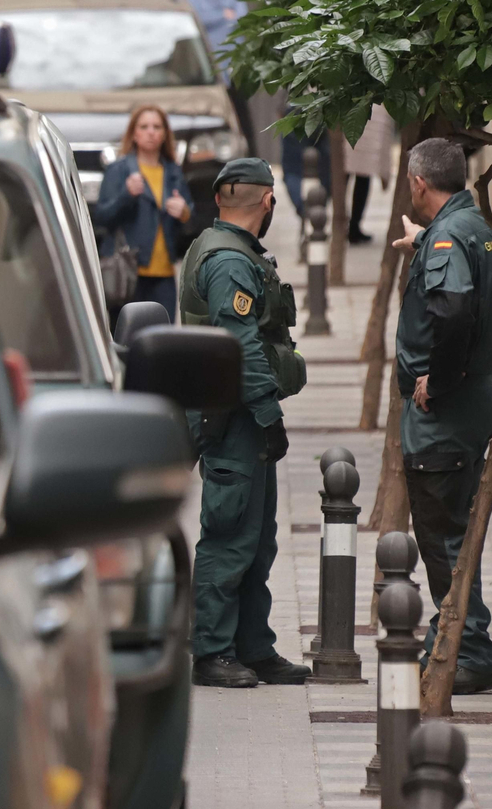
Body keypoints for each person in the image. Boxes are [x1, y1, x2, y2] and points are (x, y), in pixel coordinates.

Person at [391, 137, 492, 695]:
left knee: (442, 540)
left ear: (419, 183)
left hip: (442, 414)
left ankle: (465, 652)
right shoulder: (482, 231)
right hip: (474, 406)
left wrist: (434, 383)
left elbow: (455, 308)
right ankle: (463, 641)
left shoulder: (447, 238)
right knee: (459, 535)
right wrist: (425, 244)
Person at [181, 157, 309, 688]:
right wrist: (267, 412)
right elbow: (241, 347)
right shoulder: (229, 262)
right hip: (232, 416)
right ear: (268, 201)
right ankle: (212, 651)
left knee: (258, 540)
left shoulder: (235, 252)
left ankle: (253, 646)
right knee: (229, 536)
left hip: (242, 417)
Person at [95, 105, 194, 321]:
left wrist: (184, 212)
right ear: (134, 134)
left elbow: (190, 215)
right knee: (126, 339)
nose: (151, 132)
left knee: (164, 342)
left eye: (157, 127)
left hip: (164, 274)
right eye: (144, 126)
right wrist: (126, 195)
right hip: (128, 273)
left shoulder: (172, 171)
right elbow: (101, 217)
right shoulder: (119, 170)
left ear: (164, 134)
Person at [185, 0, 257, 150]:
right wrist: (223, 15)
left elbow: (241, 18)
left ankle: (249, 155)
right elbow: (195, 19)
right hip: (206, 65)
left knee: (240, 111)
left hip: (234, 62)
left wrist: (215, 18)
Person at [340, 105, 394, 244]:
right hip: (364, 125)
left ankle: (350, 225)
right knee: (360, 179)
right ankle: (352, 226)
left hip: (356, 122)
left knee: (354, 179)